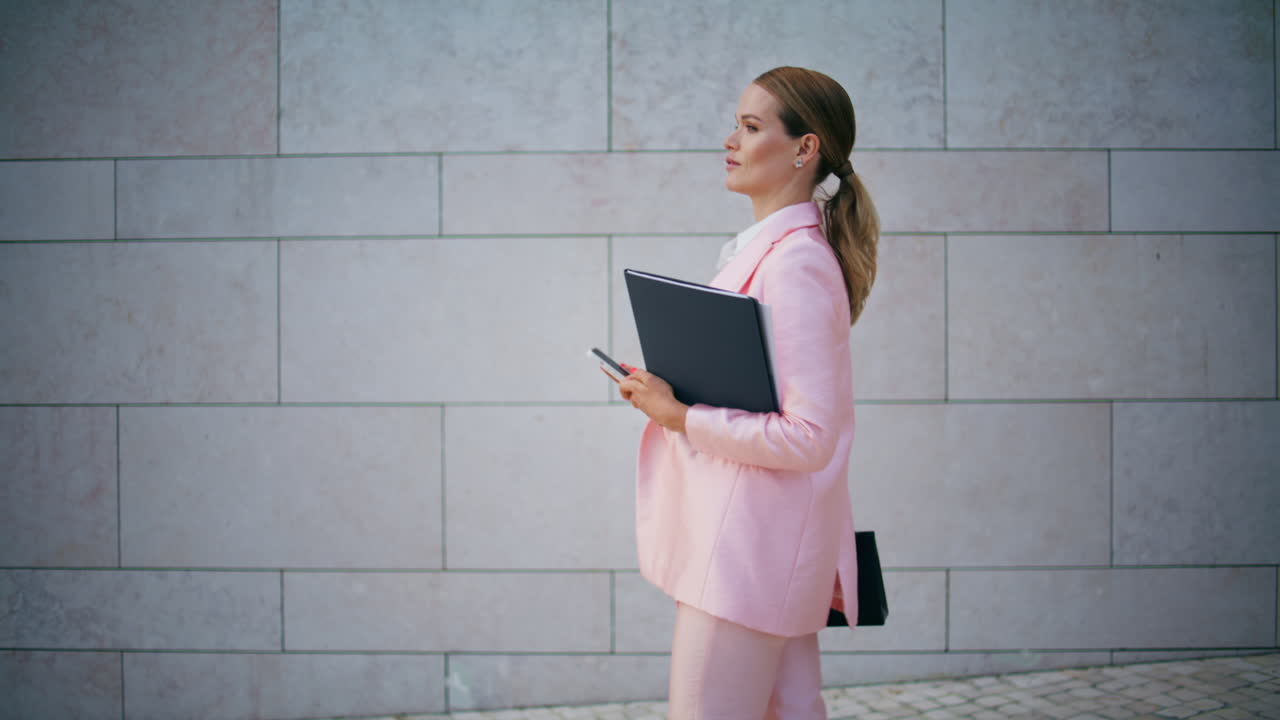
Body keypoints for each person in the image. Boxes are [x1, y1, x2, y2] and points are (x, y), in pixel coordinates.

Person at [617, 66, 879, 720]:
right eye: (737, 123)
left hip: (744, 558)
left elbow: (808, 436)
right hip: (758, 544)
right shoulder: (772, 254)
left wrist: (679, 415)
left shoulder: (795, 266)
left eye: (752, 126)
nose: (730, 139)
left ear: (804, 148)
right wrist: (671, 392)